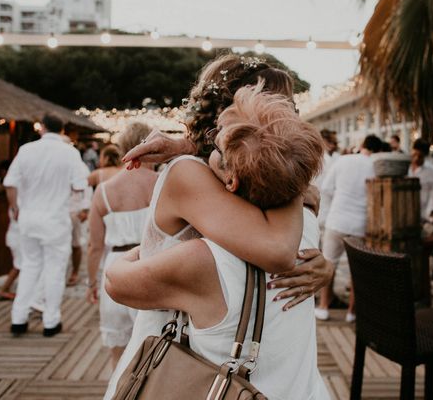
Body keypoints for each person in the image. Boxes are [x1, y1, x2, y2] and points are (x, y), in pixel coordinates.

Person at [105, 54, 333, 399]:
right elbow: (279, 248)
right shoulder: (203, 176)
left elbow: (278, 245)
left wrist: (325, 266)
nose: (289, 119)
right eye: (278, 107)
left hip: (244, 370)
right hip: (186, 365)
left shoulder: (279, 194)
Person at [3, 114, 88, 337]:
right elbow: (81, 186)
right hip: (55, 219)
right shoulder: (69, 153)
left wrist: (15, 209)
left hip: (29, 218)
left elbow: (10, 183)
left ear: (41, 128)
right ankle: (51, 322)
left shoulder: (26, 150)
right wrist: (76, 206)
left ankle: (18, 319)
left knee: (30, 267)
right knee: (55, 270)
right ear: (61, 131)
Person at [86, 122, 158, 369]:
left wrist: (92, 283)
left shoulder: (103, 191)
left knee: (118, 355)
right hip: (152, 267)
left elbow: (94, 246)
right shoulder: (161, 182)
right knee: (152, 354)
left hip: (114, 271)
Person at [314, 134, 382, 322]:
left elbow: (326, 188)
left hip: (337, 220)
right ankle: (352, 313)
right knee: (356, 269)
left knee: (329, 263)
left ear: (361, 145)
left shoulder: (343, 161)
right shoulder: (376, 167)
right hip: (361, 223)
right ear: (378, 151)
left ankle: (323, 307)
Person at [408, 138, 433, 224]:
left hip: (422, 214)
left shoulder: (431, 172)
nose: (416, 158)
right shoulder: (405, 167)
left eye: (420, 156)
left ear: (425, 156)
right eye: (414, 154)